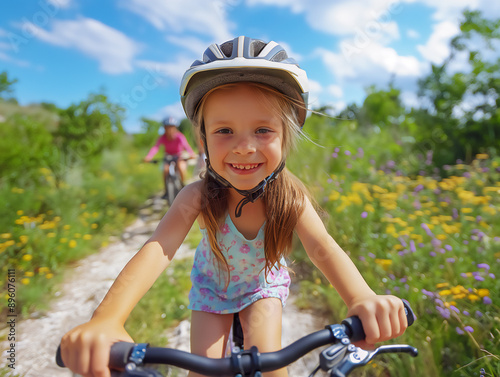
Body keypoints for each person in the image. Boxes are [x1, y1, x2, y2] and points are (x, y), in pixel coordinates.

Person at [60, 36, 409, 377]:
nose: (244, 147)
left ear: (286, 136)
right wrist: (108, 317)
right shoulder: (197, 195)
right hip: (212, 288)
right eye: (225, 130)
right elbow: (159, 248)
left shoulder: (289, 196)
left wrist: (361, 297)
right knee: (204, 370)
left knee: (272, 365)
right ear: (203, 140)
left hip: (262, 288)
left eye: (262, 130)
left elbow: (321, 247)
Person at [144, 116, 196, 192]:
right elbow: (156, 147)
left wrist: (191, 153)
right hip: (168, 156)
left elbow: (186, 146)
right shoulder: (162, 137)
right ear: (164, 128)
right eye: (167, 127)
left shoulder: (179, 136)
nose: (169, 129)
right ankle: (166, 191)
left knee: (181, 168)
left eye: (171, 127)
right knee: (165, 170)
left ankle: (183, 186)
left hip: (178, 155)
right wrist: (149, 156)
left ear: (175, 128)